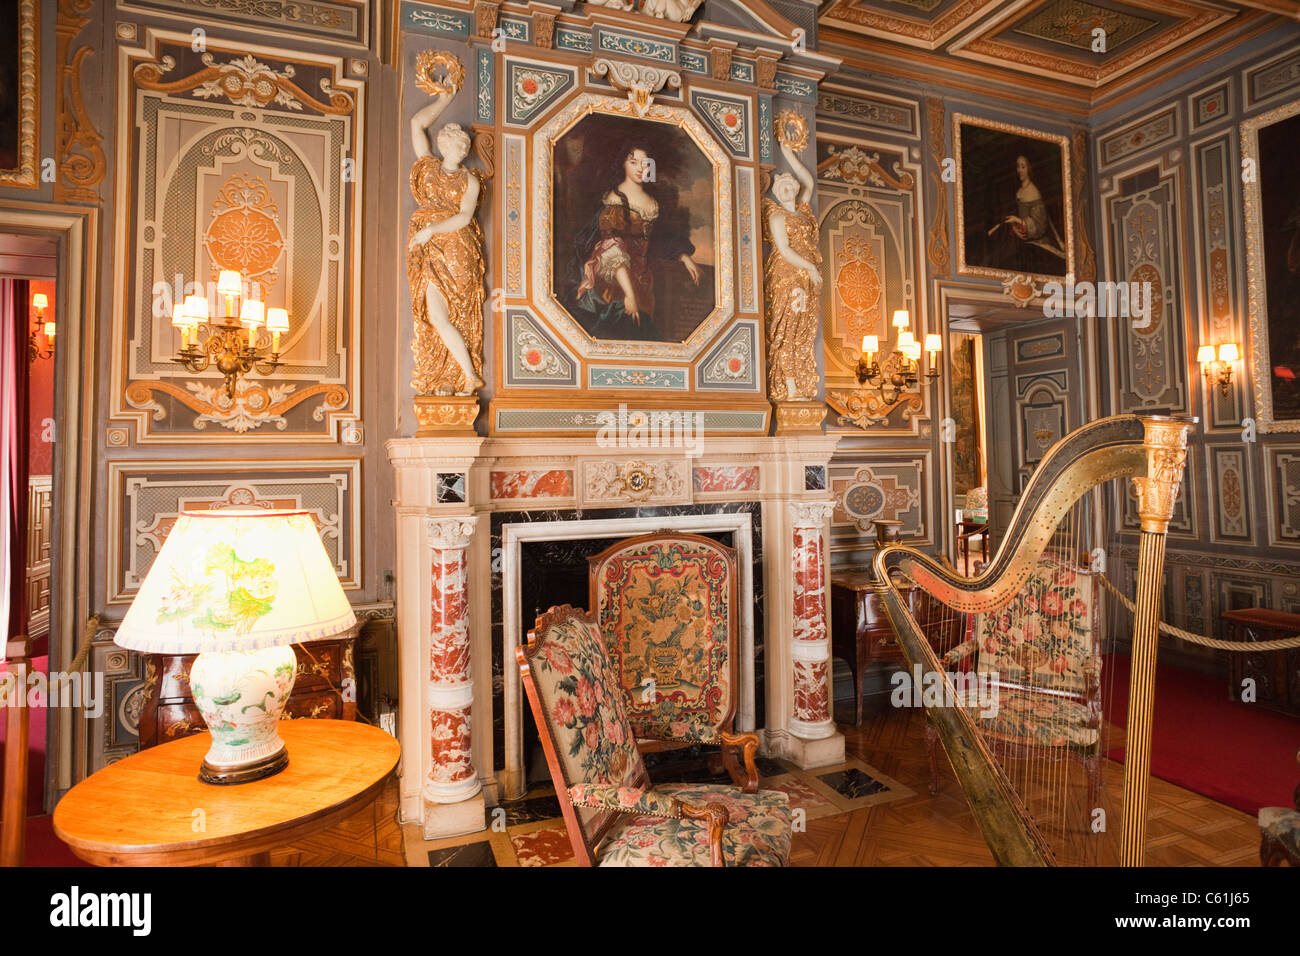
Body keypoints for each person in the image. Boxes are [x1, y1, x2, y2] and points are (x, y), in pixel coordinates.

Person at [568, 142, 700, 341]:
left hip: (644, 281)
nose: (640, 168)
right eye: (633, 162)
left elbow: (660, 240)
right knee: (622, 330)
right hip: (615, 281)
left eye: (645, 163)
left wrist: (684, 256)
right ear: (623, 164)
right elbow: (611, 248)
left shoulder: (653, 202)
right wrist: (629, 295)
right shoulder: (615, 200)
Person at [407, 91, 485, 395]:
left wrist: (431, 231)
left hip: (455, 247)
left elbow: (465, 218)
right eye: (457, 141)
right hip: (428, 248)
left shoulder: (471, 181)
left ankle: (466, 374)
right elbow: (416, 123)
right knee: (434, 315)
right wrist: (446, 97)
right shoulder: (427, 169)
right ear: (444, 143)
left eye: (465, 144)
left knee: (455, 313)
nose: (463, 146)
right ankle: (463, 375)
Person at [762, 136, 822, 402]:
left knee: (803, 332)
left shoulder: (804, 211)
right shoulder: (776, 216)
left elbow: (809, 181)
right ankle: (790, 389)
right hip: (787, 275)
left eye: (790, 186)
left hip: (808, 278)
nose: (788, 190)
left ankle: (799, 383)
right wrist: (810, 267)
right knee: (786, 329)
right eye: (783, 187)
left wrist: (788, 152)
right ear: (777, 191)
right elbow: (784, 250)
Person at [986, 154, 1067, 275]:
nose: (1019, 170)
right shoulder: (1019, 190)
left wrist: (1019, 221)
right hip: (1021, 233)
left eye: (1023, 167)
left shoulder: (1033, 192)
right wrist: (1014, 224)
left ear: (1030, 168)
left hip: (1035, 240)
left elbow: (1040, 226)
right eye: (1018, 166)